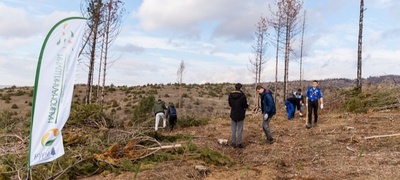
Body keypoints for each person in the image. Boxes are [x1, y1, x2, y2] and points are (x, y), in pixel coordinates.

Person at [228, 83, 249, 148]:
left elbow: (230, 104)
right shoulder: (243, 96)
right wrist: (247, 106)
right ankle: (239, 143)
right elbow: (245, 105)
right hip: (241, 114)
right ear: (240, 88)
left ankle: (233, 143)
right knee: (240, 129)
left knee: (233, 129)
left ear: (235, 87)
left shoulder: (230, 95)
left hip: (233, 114)